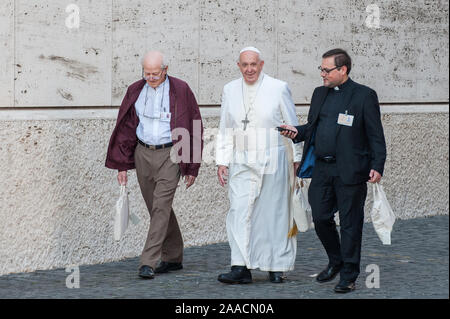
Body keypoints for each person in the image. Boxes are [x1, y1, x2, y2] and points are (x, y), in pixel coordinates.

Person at [280, 48, 386, 293]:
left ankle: (348, 274)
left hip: (351, 170)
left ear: (343, 70)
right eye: (321, 69)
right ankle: (336, 259)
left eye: (327, 70)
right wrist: (296, 131)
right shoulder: (319, 94)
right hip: (323, 168)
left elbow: (375, 136)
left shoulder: (364, 96)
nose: (322, 74)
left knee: (350, 224)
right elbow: (313, 128)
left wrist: (377, 166)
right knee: (320, 218)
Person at [105, 51, 203, 279]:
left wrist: (192, 166)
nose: (150, 77)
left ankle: (147, 261)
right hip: (143, 154)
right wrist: (122, 166)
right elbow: (126, 129)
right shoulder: (135, 91)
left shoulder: (181, 89)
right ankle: (174, 257)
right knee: (156, 207)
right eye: (146, 73)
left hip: (171, 153)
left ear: (165, 70)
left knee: (161, 206)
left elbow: (195, 124)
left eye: (155, 73)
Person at [216, 47, 302, 284]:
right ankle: (240, 267)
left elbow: (291, 125)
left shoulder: (278, 87)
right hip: (241, 160)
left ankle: (276, 266)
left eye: (253, 64)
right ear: (239, 66)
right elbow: (225, 127)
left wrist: (297, 158)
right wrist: (222, 161)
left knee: (273, 214)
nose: (249, 69)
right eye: (245, 65)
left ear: (261, 64)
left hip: (273, 159)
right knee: (239, 212)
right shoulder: (230, 89)